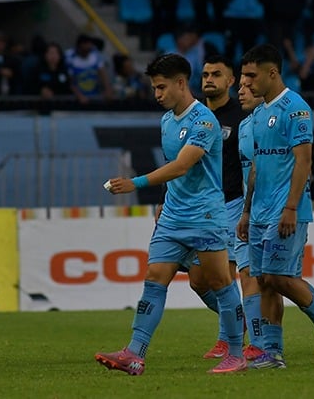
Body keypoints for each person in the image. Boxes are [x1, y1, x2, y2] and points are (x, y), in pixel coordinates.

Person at [95, 53, 246, 375]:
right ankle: (134, 353)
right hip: (173, 217)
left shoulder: (204, 121)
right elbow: (174, 172)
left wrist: (134, 182)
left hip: (205, 215)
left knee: (220, 282)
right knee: (153, 280)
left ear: (181, 83)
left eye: (162, 87)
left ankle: (236, 353)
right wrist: (165, 199)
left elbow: (182, 164)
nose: (157, 94)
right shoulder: (167, 122)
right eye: (154, 88)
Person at [236, 43, 314, 368]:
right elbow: (255, 168)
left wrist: (291, 208)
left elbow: (304, 160)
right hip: (260, 211)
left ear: (272, 73)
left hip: (287, 209)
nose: (247, 82)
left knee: (278, 276)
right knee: (266, 279)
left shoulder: (296, 108)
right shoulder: (258, 114)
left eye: (252, 76)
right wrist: (246, 210)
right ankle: (272, 352)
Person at [187, 55, 263, 361]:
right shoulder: (194, 116)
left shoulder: (241, 115)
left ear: (231, 81)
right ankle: (237, 320)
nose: (208, 79)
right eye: (205, 74)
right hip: (199, 207)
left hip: (231, 203)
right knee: (197, 280)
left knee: (226, 274)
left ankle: (226, 337)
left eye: (216, 74)